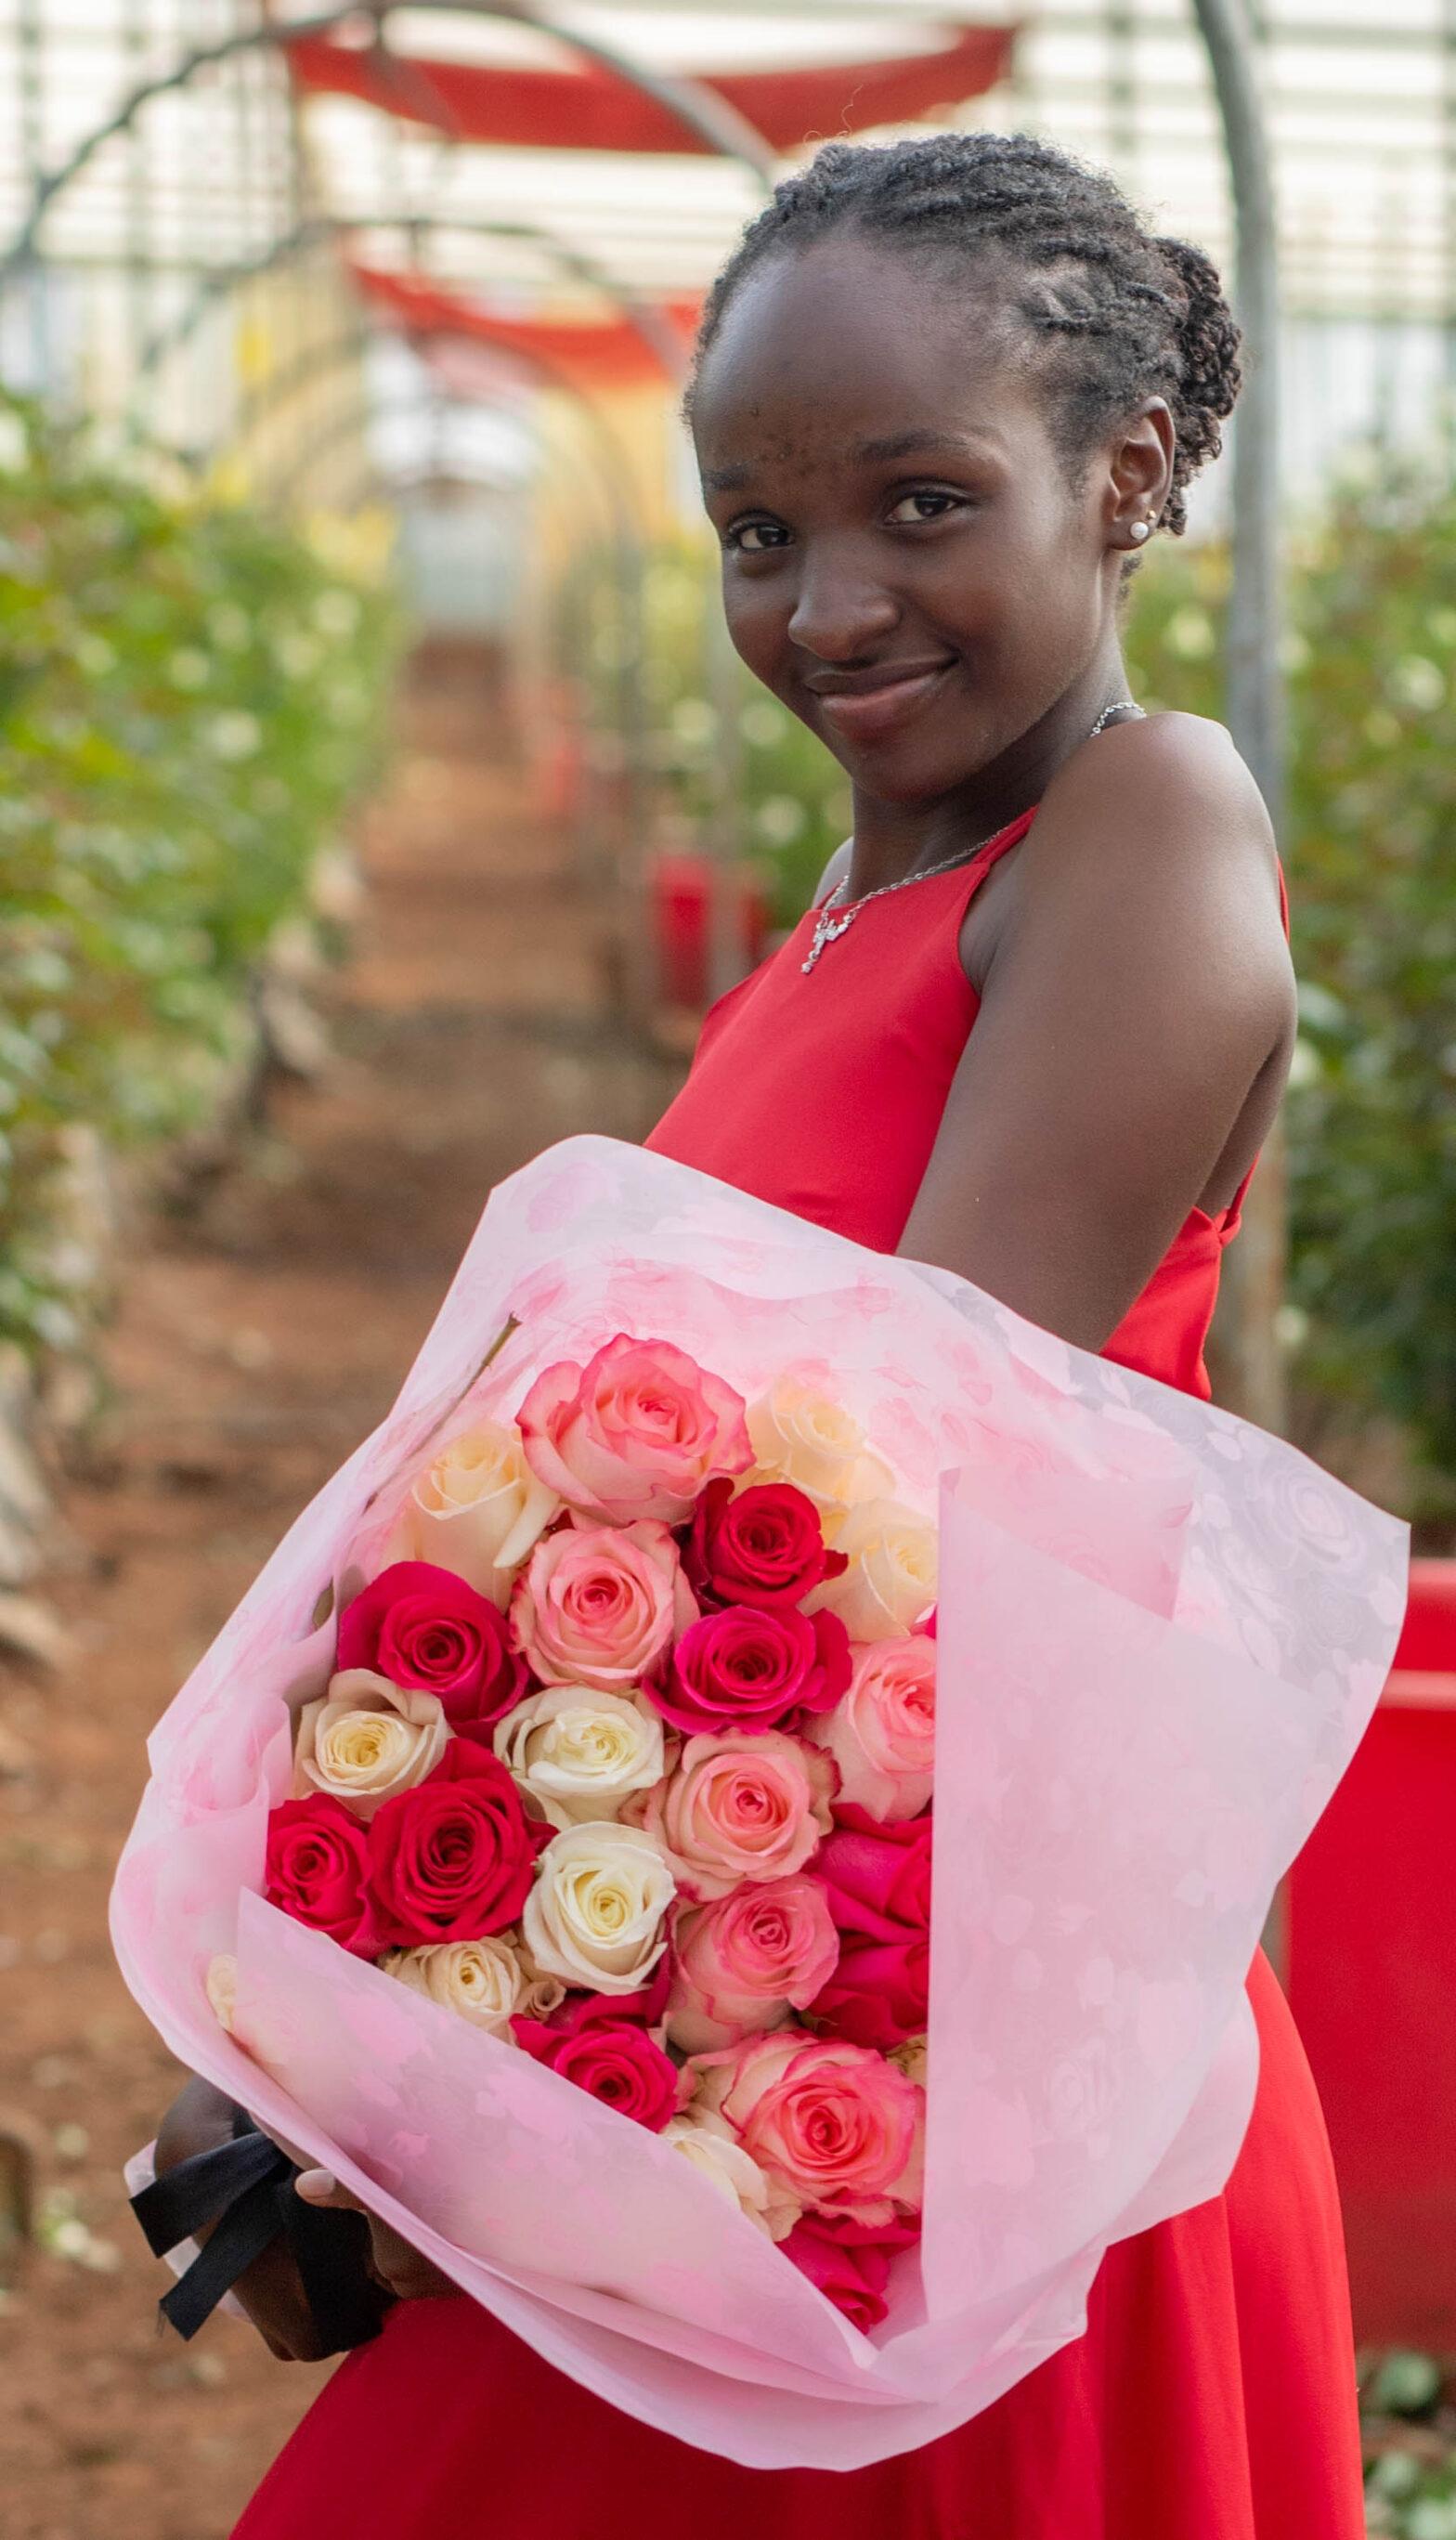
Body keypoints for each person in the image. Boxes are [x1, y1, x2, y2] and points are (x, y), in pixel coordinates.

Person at [162, 133, 1363, 2538]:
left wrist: (380, 2062)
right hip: (774, 1979)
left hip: (952, 2061)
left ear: (1125, 474)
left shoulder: (1144, 835)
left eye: (924, 505)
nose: (830, 607)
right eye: (756, 533)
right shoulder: (858, 885)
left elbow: (858, 1519)